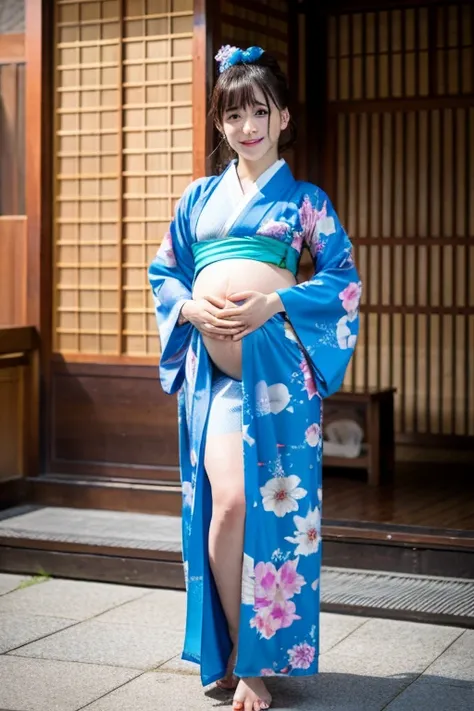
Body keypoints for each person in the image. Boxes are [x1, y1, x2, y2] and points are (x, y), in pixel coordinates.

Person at [149, 45, 361, 711]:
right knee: (229, 504)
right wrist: (187, 305)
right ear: (220, 124)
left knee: (266, 510)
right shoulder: (197, 199)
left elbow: (343, 280)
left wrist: (278, 300)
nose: (248, 126)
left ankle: (254, 662)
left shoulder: (306, 202)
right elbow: (165, 274)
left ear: (284, 117)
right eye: (234, 115)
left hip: (279, 383)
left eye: (259, 112)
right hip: (215, 382)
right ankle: (240, 649)